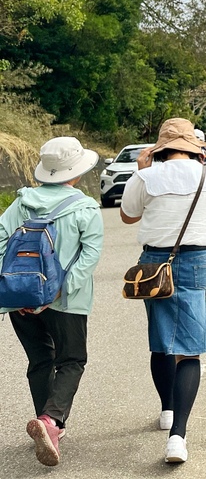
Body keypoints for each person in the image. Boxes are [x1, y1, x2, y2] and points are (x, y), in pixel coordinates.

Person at [119, 118, 206, 464]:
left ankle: (167, 409)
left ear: (160, 148)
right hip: (197, 261)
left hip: (154, 265)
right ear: (194, 148)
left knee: (162, 337)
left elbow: (127, 216)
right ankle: (177, 437)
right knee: (190, 350)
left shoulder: (144, 176)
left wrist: (141, 170)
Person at [0, 137, 103, 467]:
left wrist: (16, 284)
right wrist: (61, 288)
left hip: (21, 298)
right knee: (72, 359)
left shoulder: (20, 204)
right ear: (75, 173)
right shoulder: (85, 208)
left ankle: (49, 424)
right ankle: (51, 421)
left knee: (41, 359)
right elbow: (90, 254)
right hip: (66, 302)